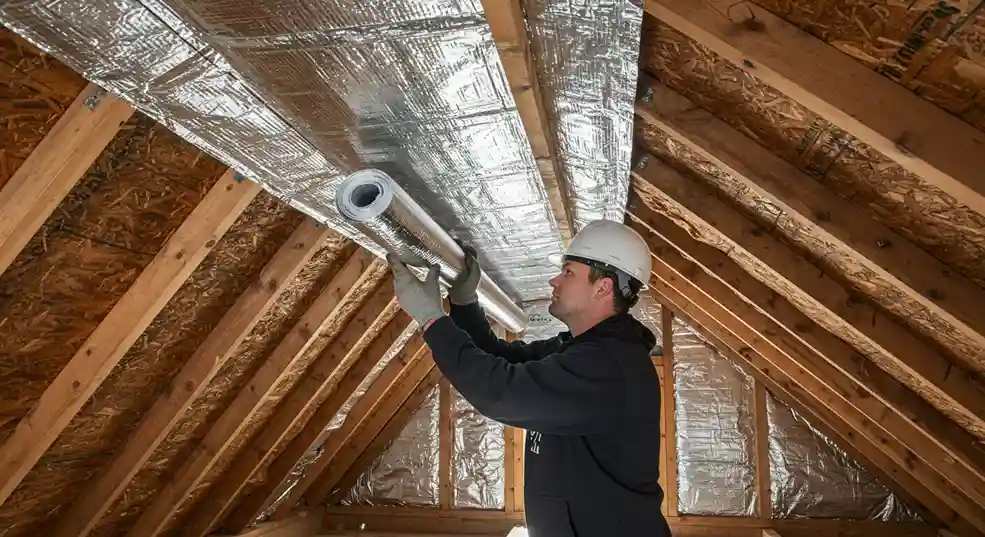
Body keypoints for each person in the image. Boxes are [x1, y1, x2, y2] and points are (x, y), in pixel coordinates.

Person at [387, 219, 671, 537]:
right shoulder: (579, 351)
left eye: (568, 272)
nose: (554, 280)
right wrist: (465, 304)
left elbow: (501, 391)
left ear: (602, 287)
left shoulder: (608, 366)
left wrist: (431, 319)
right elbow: (502, 359)